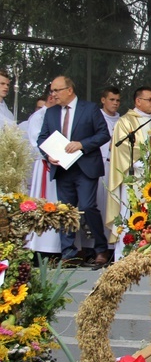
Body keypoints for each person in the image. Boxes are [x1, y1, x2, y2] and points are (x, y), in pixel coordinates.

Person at [37, 76, 111, 267]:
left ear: (69, 90)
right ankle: (69, 254)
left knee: (87, 207)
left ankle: (101, 249)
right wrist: (48, 156)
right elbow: (42, 139)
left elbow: (103, 134)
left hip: (85, 167)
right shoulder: (51, 112)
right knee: (65, 211)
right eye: (52, 91)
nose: (53, 94)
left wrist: (82, 144)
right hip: (62, 169)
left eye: (56, 90)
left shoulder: (90, 108)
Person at [106, 86, 151, 260]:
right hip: (135, 178)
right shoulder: (126, 122)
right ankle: (127, 253)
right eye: (150, 99)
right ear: (138, 101)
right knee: (131, 213)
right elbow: (122, 148)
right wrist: (146, 158)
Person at [26, 87, 61, 255]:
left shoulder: (60, 113)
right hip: (46, 164)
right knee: (43, 202)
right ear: (51, 97)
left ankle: (56, 247)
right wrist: (50, 154)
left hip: (62, 165)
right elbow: (35, 141)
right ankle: (40, 246)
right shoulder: (39, 115)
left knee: (58, 204)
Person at [95, 86, 121, 259]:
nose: (115, 103)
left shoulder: (123, 120)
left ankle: (114, 247)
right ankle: (98, 247)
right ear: (103, 100)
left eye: (118, 100)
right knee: (100, 206)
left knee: (114, 207)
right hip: (99, 166)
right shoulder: (95, 117)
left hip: (116, 168)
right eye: (112, 100)